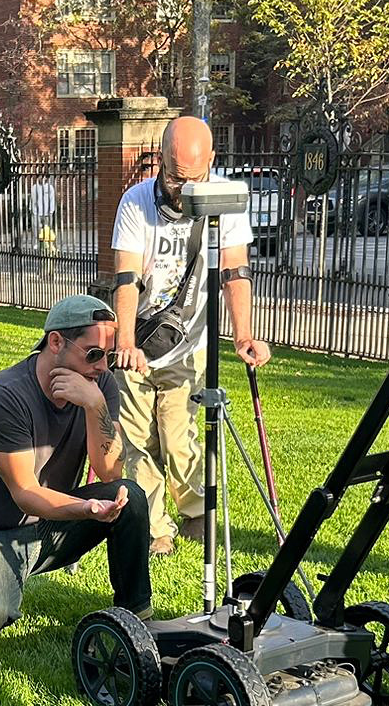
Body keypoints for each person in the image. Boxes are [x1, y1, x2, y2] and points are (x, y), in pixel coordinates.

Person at [109, 116, 270, 557]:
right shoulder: (135, 203)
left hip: (188, 343)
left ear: (212, 162)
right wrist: (124, 342)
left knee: (179, 436)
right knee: (137, 441)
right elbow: (125, 278)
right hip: (137, 342)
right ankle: (154, 525)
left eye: (194, 178)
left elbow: (236, 271)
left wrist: (243, 336)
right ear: (161, 161)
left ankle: (197, 513)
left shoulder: (223, 201)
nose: (183, 188)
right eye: (176, 177)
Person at [0, 295, 152, 634]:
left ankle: (137, 616)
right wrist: (86, 507)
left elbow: (110, 472)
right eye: (93, 354)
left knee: (129, 496)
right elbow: (26, 493)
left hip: (55, 522)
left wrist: (96, 407)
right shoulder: (2, 395)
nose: (103, 366)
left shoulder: (99, 384)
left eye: (109, 355)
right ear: (56, 342)